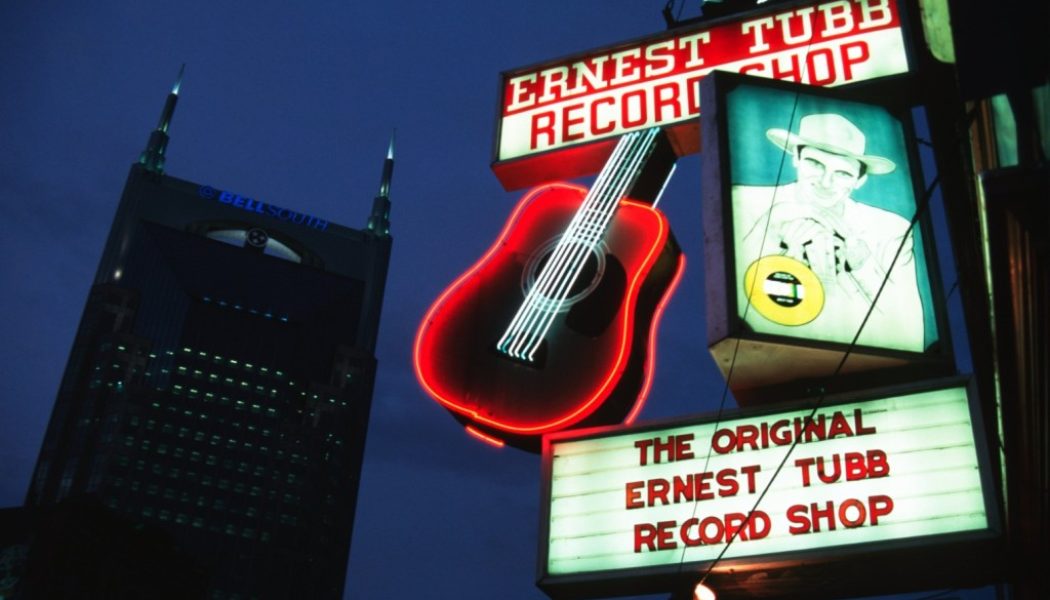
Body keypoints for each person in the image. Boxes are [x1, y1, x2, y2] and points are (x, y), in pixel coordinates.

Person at [732, 113, 925, 351]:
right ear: (796, 158)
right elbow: (726, 305)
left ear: (860, 180)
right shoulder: (742, 203)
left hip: (861, 367)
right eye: (815, 163)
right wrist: (765, 236)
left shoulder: (890, 230)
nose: (826, 181)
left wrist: (864, 268)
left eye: (843, 173)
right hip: (769, 354)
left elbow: (912, 335)